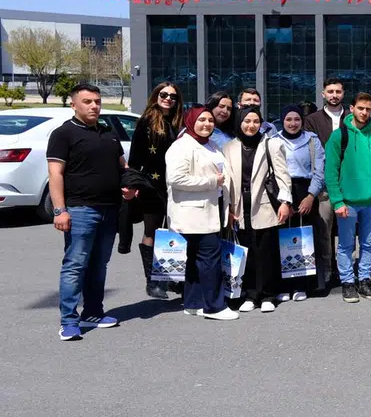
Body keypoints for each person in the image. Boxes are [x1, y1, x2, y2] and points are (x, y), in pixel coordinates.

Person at [48, 83, 138, 341]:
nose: (94, 106)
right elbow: (55, 173)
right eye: (87, 102)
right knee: (75, 265)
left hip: (110, 209)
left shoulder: (108, 133)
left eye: (97, 101)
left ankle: (93, 312)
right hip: (80, 209)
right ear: (73, 104)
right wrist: (60, 210)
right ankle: (68, 321)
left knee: (99, 265)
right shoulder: (63, 133)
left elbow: (122, 166)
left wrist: (130, 186)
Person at [165, 107, 237, 321]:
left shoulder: (211, 144)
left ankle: (193, 302)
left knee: (196, 258)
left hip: (211, 208)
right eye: (201, 120)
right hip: (193, 212)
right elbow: (176, 179)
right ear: (191, 121)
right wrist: (212, 181)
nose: (207, 124)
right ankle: (214, 306)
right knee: (209, 258)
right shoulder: (181, 147)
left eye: (210, 120)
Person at [224, 107, 294, 313]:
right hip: (239, 205)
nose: (251, 125)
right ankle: (250, 294)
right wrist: (228, 208)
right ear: (239, 122)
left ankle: (268, 295)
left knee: (265, 252)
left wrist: (285, 202)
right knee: (247, 252)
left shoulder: (271, 144)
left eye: (256, 121)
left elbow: (282, 175)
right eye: (247, 121)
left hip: (264, 204)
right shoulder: (229, 147)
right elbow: (227, 181)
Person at [325, 92, 371, 304]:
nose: (364, 112)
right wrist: (337, 201)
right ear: (352, 108)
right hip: (347, 202)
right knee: (345, 245)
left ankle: (364, 280)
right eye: (360, 108)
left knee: (368, 243)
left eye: (368, 109)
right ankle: (347, 282)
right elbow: (330, 171)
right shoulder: (339, 136)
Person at [128, 82, 183, 300]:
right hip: (152, 184)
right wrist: (133, 183)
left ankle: (171, 277)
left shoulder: (179, 122)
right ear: (156, 96)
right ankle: (152, 281)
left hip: (177, 184)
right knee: (152, 230)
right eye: (164, 94)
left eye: (173, 96)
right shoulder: (146, 122)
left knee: (174, 230)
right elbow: (135, 157)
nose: (168, 98)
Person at [302, 77, 346, 290]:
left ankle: (346, 268)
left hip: (350, 182)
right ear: (323, 94)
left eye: (338, 91)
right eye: (330, 91)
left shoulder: (351, 117)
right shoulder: (312, 120)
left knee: (347, 229)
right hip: (325, 184)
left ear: (343, 94)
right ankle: (327, 268)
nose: (334, 95)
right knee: (324, 230)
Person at [278, 105, 325, 300]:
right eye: (288, 119)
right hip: (282, 192)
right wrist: (284, 200)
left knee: (305, 239)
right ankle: (283, 286)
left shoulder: (312, 140)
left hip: (306, 191)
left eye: (297, 119)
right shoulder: (274, 140)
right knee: (282, 239)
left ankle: (302, 285)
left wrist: (311, 196)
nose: (293, 123)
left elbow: (320, 170)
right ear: (282, 121)